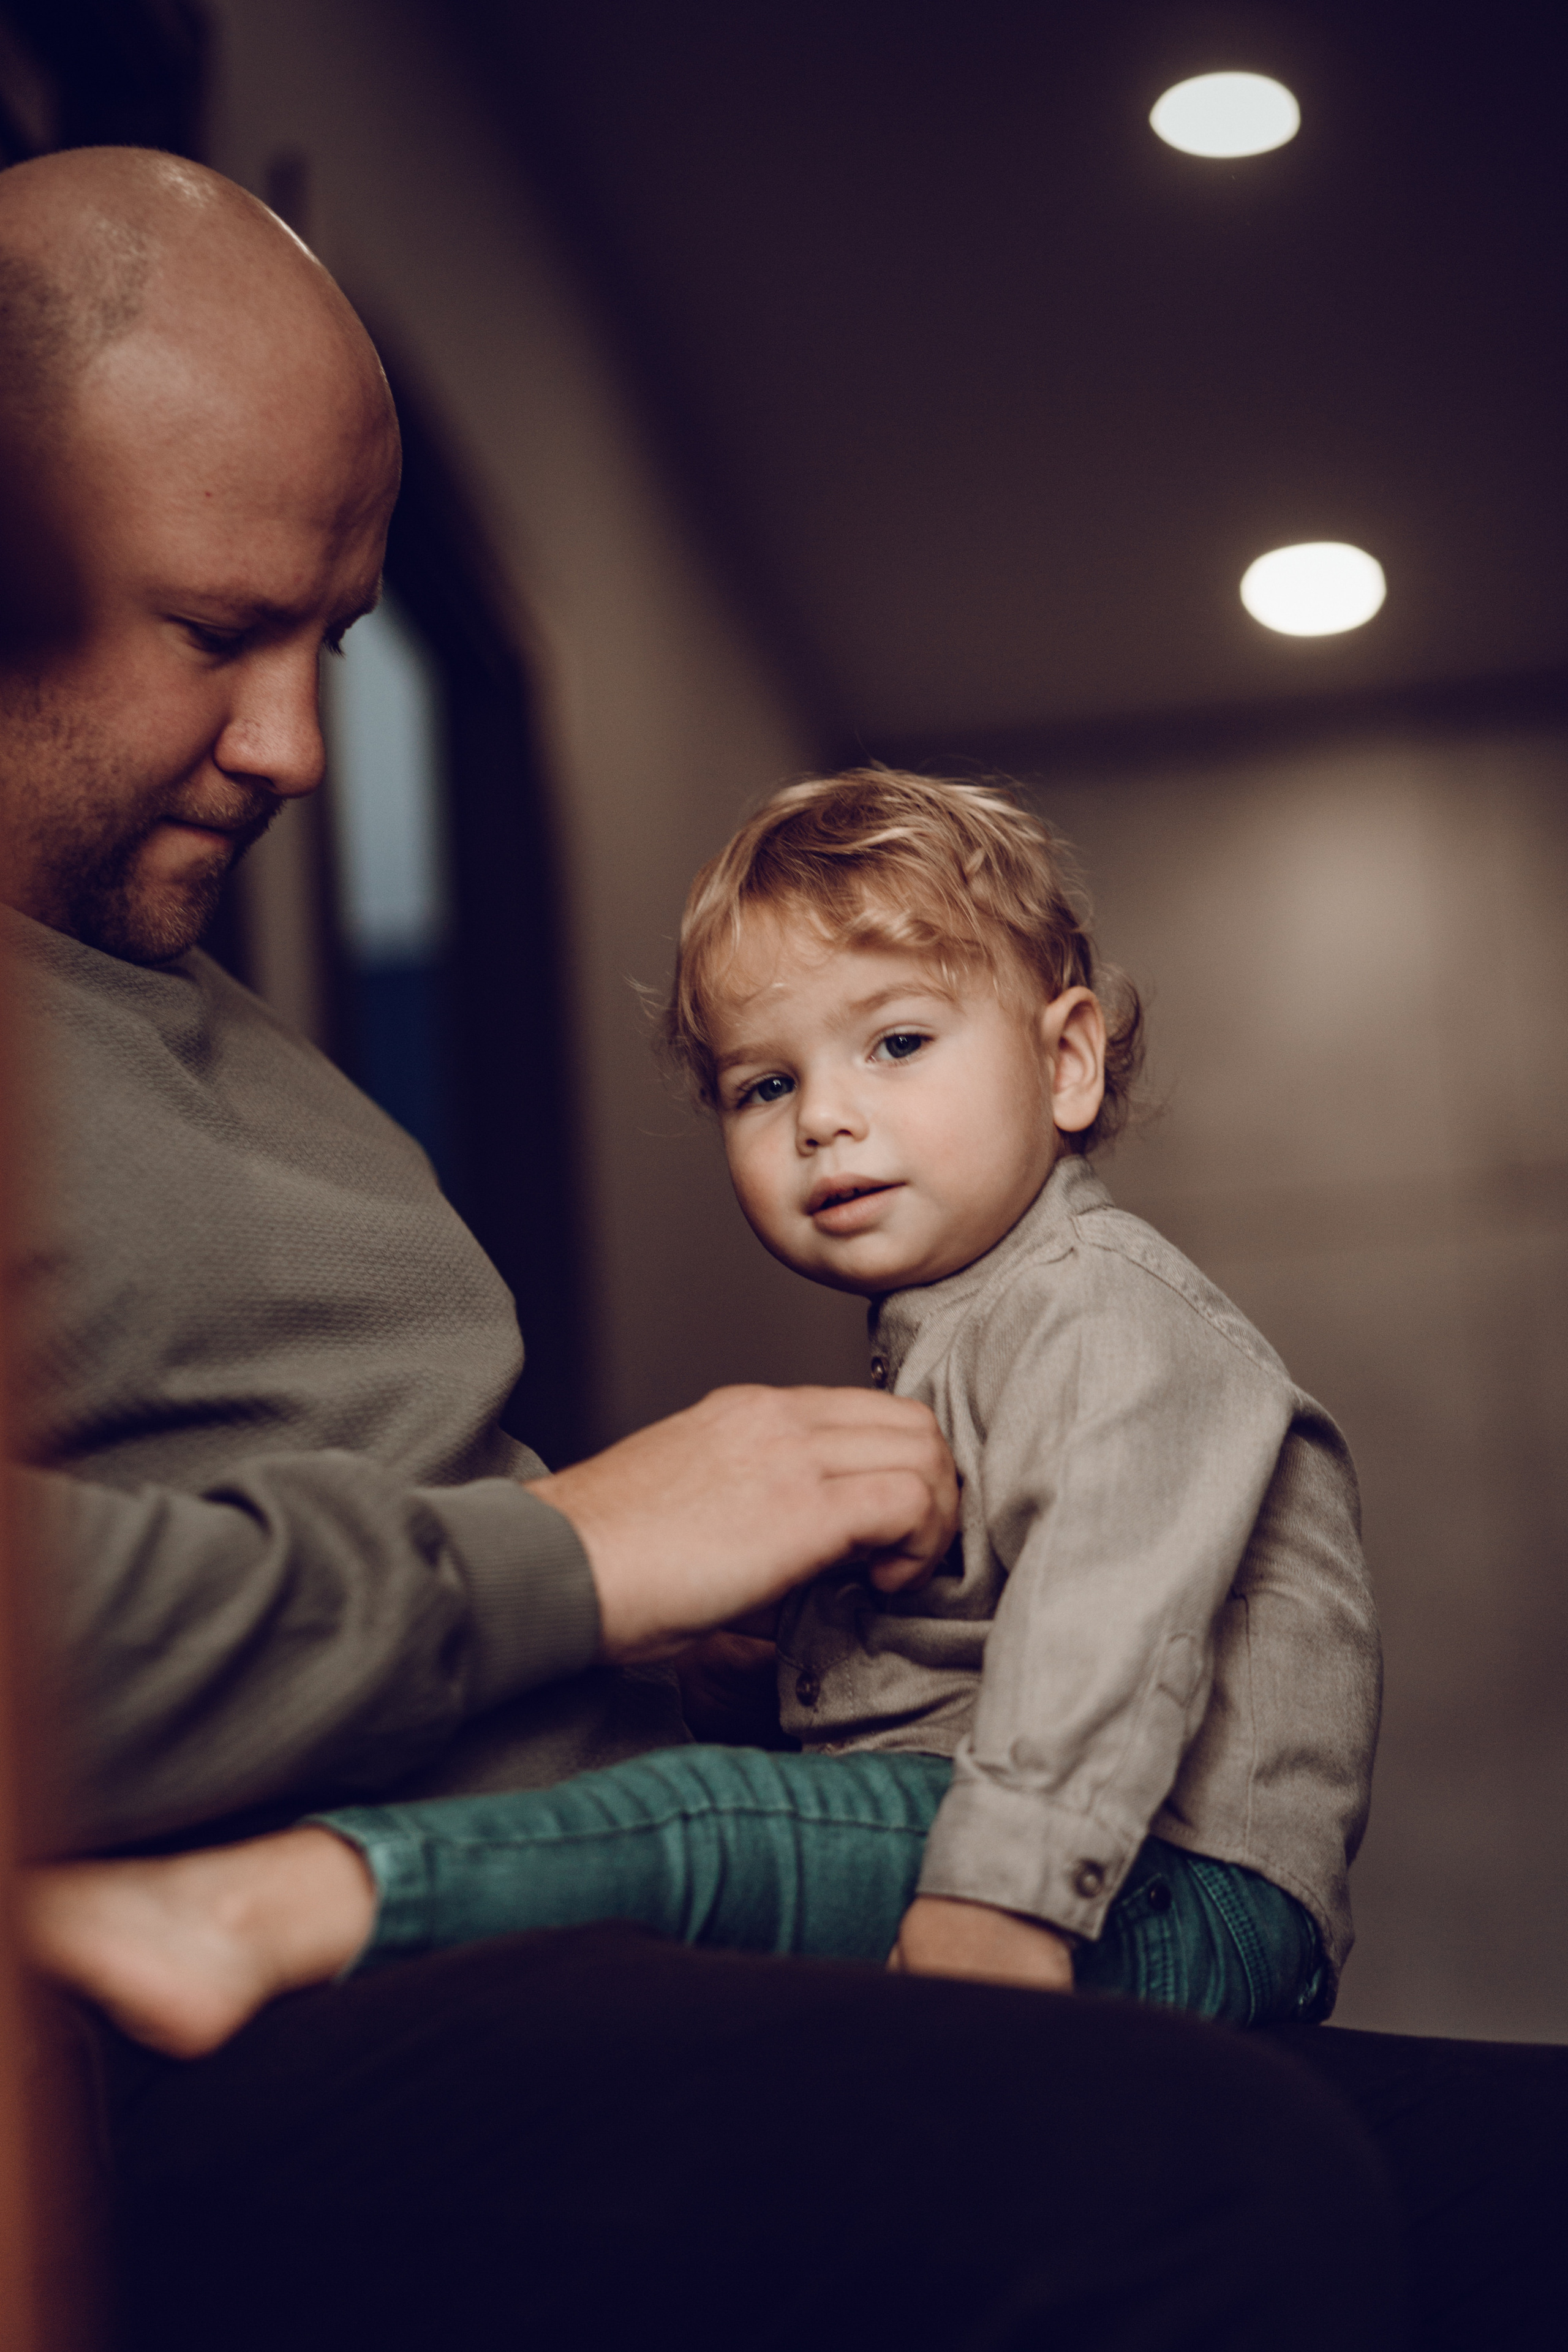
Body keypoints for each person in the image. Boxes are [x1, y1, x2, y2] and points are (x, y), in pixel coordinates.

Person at [0, 145, 1559, 2352]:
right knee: (1190, 2173)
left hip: (641, 1892)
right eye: (212, 632)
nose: (296, 748)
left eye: (336, 641)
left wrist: (656, 1633)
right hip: (260, 2021)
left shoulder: (254, 1061)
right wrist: (581, 1561)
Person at [24, 771, 1376, 2055]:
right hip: (1036, 1837)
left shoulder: (1104, 1312)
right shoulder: (962, 1325)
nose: (825, 1121)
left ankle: (254, 1914)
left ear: (1066, 1060)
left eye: (896, 1043)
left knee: (695, 1833)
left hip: (1163, 1879)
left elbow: (1109, 1628)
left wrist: (1000, 1904)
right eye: (765, 1085)